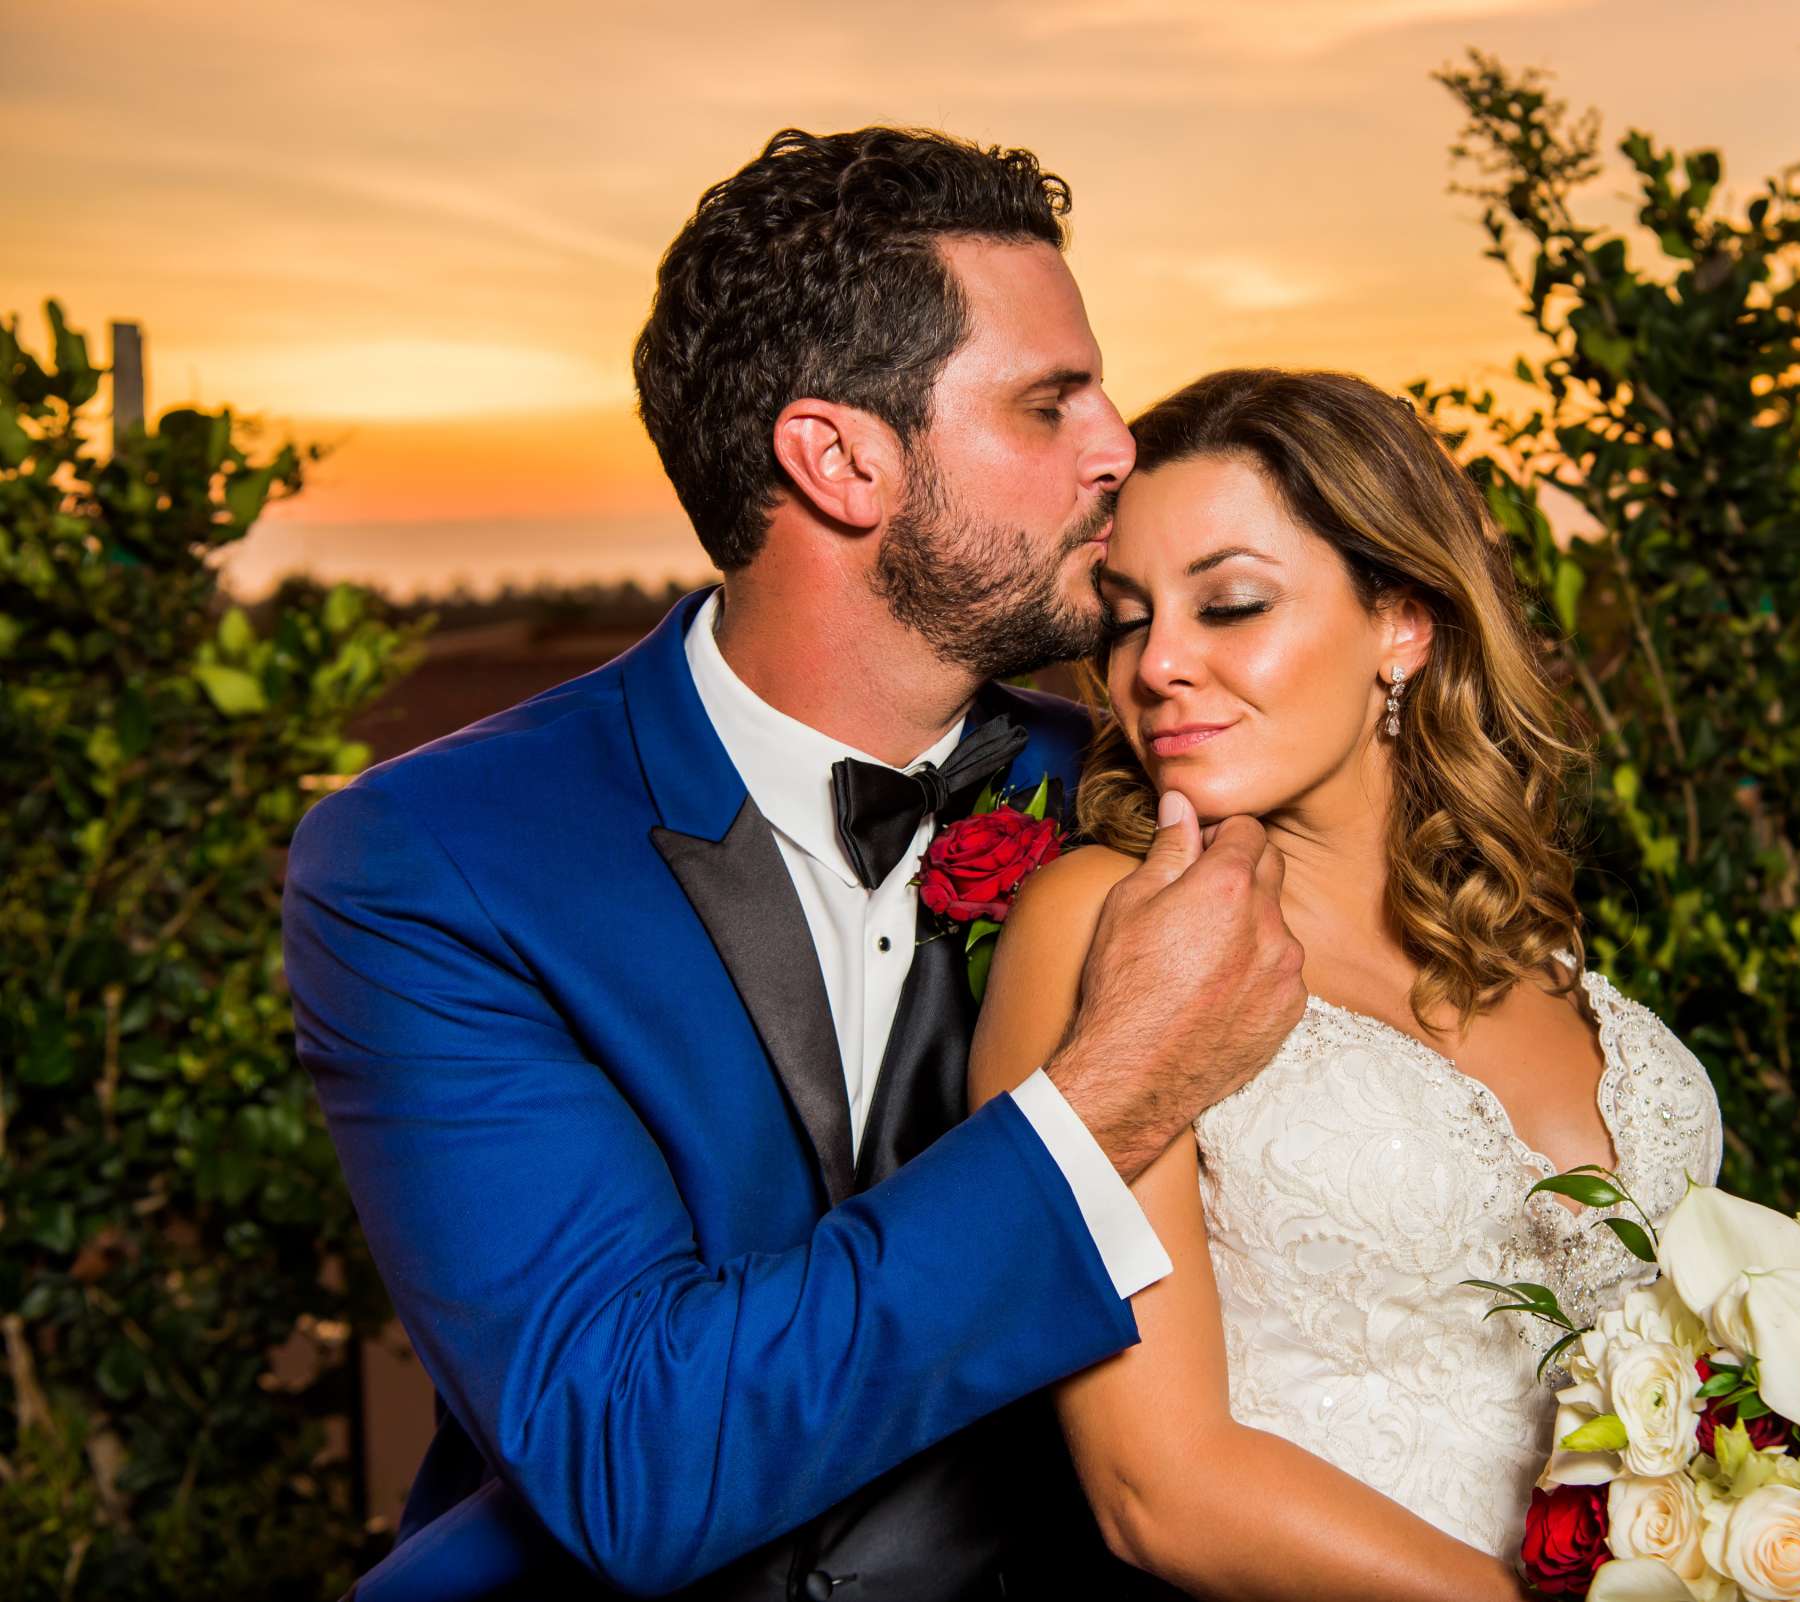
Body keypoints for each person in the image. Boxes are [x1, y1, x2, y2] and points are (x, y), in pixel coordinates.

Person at [281, 130, 1305, 1601]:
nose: (1118, 448)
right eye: (1048, 402)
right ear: (839, 459)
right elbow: (634, 1449)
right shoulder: (436, 861)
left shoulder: (1134, 798)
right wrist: (1115, 1085)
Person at [969, 368, 1725, 1599]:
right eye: (1125, 616)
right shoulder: (1093, 923)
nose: (1157, 664)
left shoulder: (1516, 925)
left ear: (1404, 620)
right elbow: (1159, 1487)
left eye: (1230, 604)